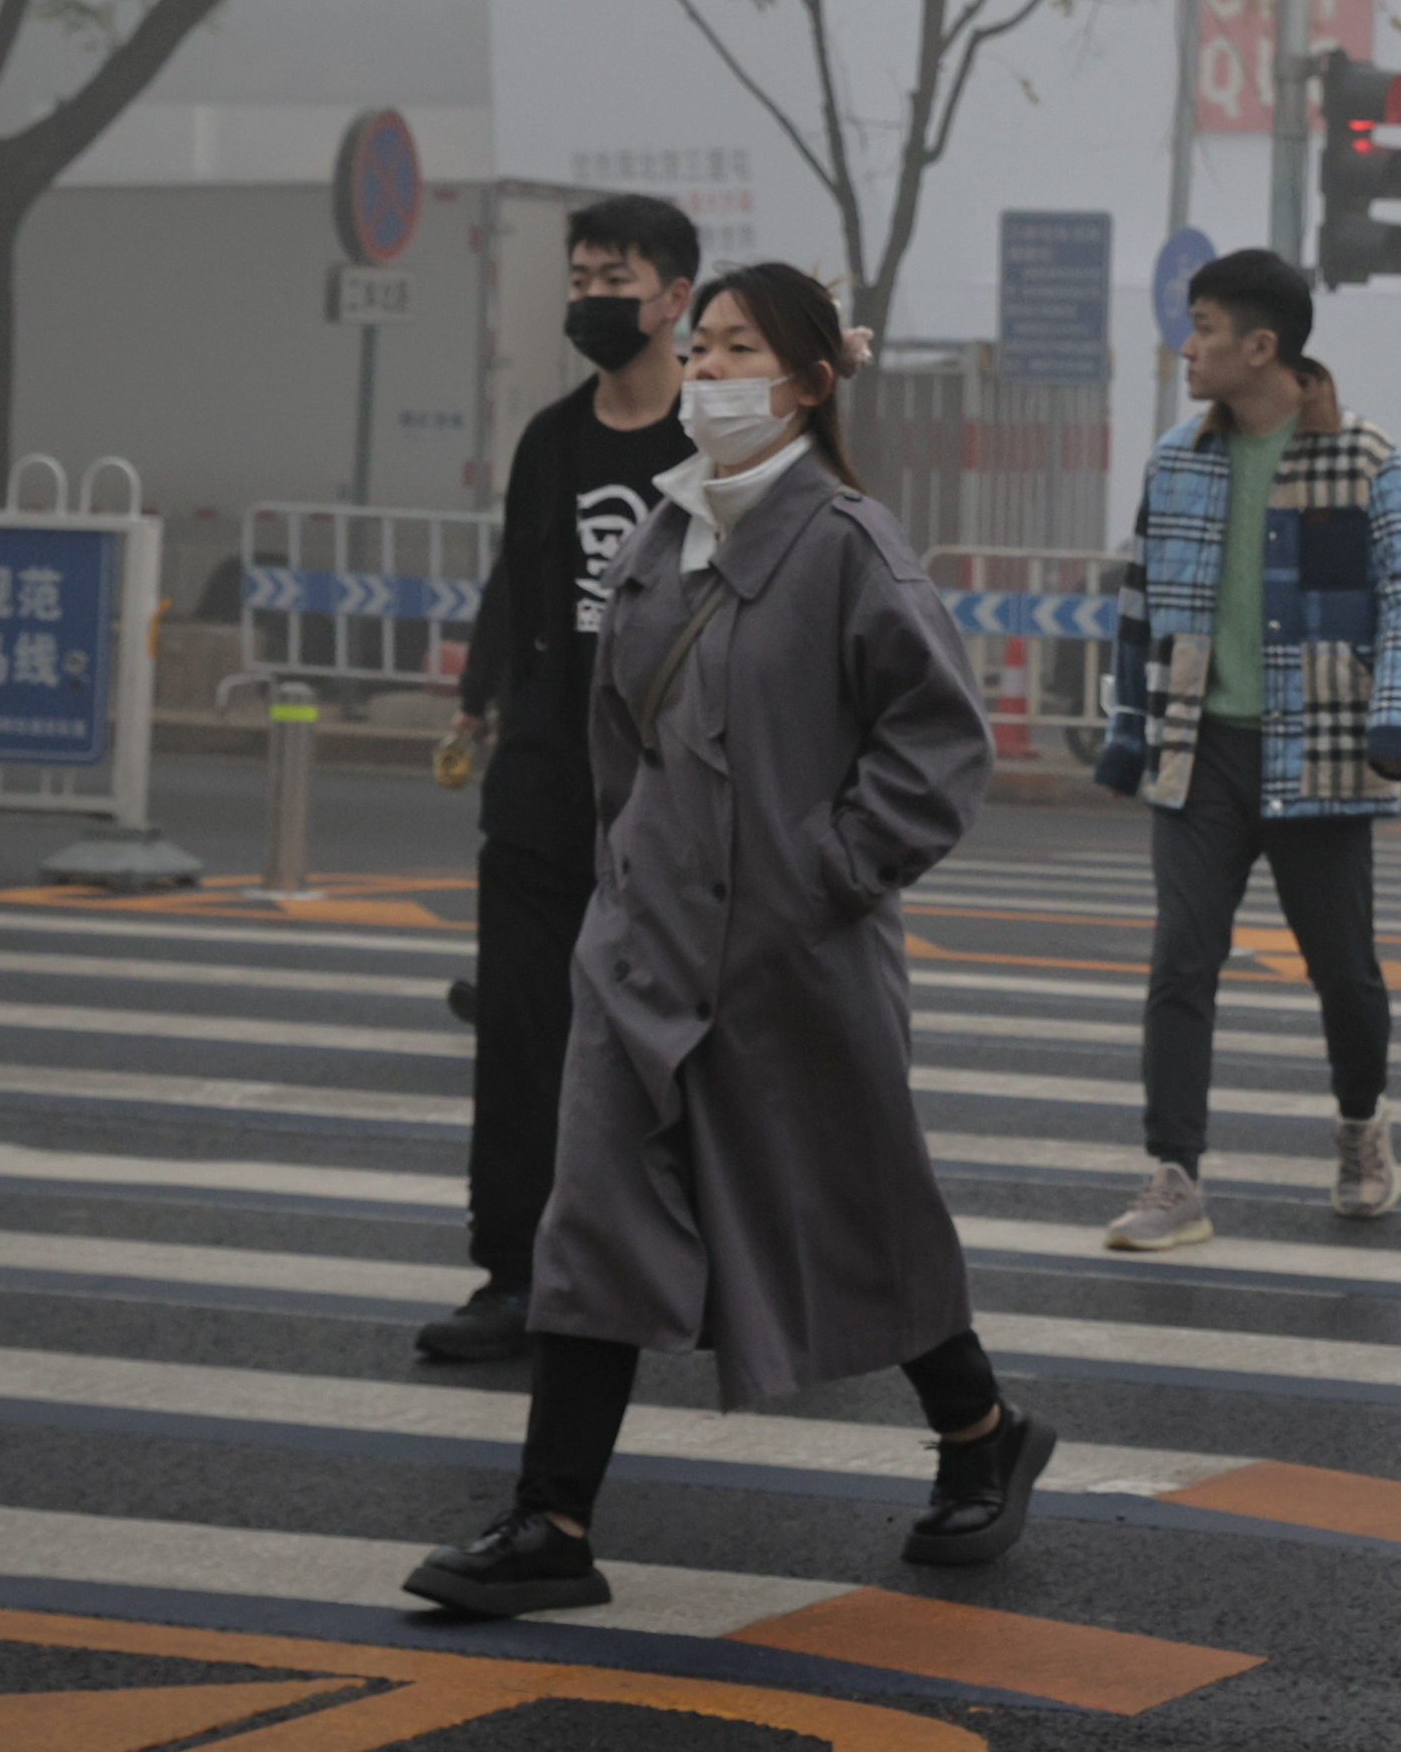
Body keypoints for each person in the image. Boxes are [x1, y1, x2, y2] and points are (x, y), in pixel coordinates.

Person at [404, 263, 1038, 1618]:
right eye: (699, 349)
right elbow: (618, 745)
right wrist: (626, 886)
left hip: (795, 961)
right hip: (644, 954)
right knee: (596, 1225)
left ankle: (982, 1433)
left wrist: (821, 874)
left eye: (739, 348)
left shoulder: (848, 545)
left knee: (851, 1212)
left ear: (810, 381)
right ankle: (552, 1521)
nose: (708, 372)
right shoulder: (663, 535)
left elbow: (942, 746)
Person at [1091, 248, 1401, 1250]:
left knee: (1345, 973)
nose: (1187, 346)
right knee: (1179, 964)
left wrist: (1398, 719)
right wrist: (1127, 736)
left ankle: (1362, 1124)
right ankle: (1175, 1178)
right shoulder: (1178, 458)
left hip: (1323, 755)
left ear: (1262, 346)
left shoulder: (1363, 458)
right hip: (1200, 753)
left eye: (1203, 329)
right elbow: (1139, 604)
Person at [416, 194, 705, 1366]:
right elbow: (516, 583)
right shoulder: (549, 438)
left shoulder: (713, 445)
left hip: (680, 798)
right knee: (525, 1038)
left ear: (676, 295)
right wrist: (482, 700)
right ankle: (514, 1275)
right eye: (579, 275)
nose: (592, 295)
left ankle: (718, 1265)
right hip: (545, 789)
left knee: (690, 1049)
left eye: (616, 276)